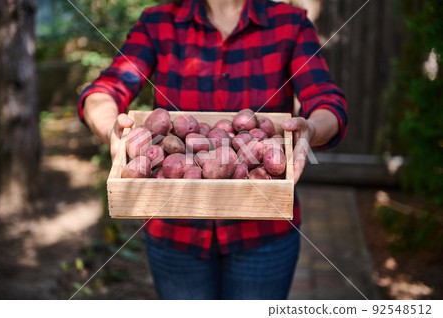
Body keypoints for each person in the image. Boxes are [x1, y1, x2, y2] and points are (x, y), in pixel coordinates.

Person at [78, 0, 347, 300]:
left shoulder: (291, 22)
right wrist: (109, 129)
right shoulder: (159, 21)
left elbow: (327, 102)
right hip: (175, 233)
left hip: (264, 234)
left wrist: (311, 129)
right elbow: (106, 89)